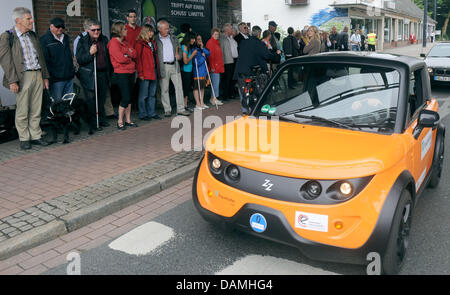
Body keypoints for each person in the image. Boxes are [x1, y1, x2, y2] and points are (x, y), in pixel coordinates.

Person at [0, 7, 50, 150]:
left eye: (31, 18)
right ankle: (24, 138)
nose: (31, 21)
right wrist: (12, 80)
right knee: (22, 109)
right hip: (22, 76)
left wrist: (45, 76)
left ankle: (35, 135)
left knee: (36, 108)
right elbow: (6, 61)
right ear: (18, 20)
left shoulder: (32, 35)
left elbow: (41, 57)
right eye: (28, 19)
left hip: (37, 74)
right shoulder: (7, 36)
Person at [234, 26, 281, 111]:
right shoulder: (259, 44)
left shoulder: (243, 42)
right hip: (252, 71)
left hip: (241, 70)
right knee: (259, 89)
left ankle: (244, 110)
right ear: (259, 34)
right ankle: (256, 109)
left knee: (242, 89)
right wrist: (277, 56)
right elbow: (267, 55)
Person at [76, 19, 111, 131]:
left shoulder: (104, 39)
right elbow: (80, 59)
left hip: (102, 73)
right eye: (93, 30)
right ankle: (93, 122)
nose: (96, 32)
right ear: (88, 30)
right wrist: (90, 53)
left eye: (98, 29)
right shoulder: (83, 41)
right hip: (89, 74)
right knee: (91, 99)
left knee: (101, 98)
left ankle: (101, 119)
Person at [154, 20, 190, 117]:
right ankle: (167, 109)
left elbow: (180, 50)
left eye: (168, 28)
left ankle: (181, 109)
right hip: (163, 67)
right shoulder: (155, 39)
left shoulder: (173, 38)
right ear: (159, 29)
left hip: (175, 65)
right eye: (165, 28)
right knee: (164, 89)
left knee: (179, 87)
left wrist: (180, 56)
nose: (168, 30)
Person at [108, 22, 138, 130]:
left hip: (131, 72)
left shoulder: (125, 42)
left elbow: (135, 54)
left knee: (129, 97)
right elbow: (120, 59)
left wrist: (127, 55)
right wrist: (128, 56)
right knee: (125, 97)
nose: (126, 30)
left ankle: (128, 120)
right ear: (119, 31)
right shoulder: (113, 43)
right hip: (121, 73)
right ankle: (120, 121)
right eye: (124, 29)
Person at [40, 18, 75, 102]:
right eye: (57, 26)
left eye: (62, 27)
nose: (60, 29)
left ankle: (67, 116)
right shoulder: (44, 40)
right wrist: (47, 78)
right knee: (57, 104)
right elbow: (44, 61)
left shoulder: (66, 37)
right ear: (51, 26)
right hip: (56, 80)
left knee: (68, 103)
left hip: (69, 77)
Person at [136, 24, 161, 121]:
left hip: (153, 71)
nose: (151, 33)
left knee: (152, 94)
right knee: (143, 95)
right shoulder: (139, 44)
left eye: (152, 31)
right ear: (145, 32)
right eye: (149, 31)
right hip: (145, 73)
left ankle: (152, 113)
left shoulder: (153, 43)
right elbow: (138, 60)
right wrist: (140, 73)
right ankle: (143, 114)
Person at [220, 23, 239, 101]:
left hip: (233, 60)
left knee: (232, 79)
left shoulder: (231, 38)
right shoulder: (222, 38)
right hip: (227, 61)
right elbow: (221, 51)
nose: (232, 30)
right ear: (227, 30)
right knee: (227, 79)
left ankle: (230, 94)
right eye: (231, 28)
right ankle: (225, 95)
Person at [206, 27, 224, 106]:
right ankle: (213, 98)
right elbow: (210, 56)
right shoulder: (211, 42)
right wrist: (212, 66)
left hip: (217, 66)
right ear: (212, 34)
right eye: (215, 34)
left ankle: (214, 98)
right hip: (214, 67)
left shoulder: (216, 42)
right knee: (215, 83)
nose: (217, 35)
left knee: (216, 83)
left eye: (218, 34)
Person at [192, 34, 210, 110]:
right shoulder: (194, 50)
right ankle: (197, 103)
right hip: (197, 72)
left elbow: (208, 54)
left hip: (203, 72)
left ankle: (202, 102)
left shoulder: (201, 49)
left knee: (202, 87)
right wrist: (203, 57)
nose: (200, 40)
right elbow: (197, 63)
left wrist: (203, 48)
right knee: (196, 87)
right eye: (198, 39)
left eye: (201, 39)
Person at [181, 32, 197, 111]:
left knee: (188, 88)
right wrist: (193, 55)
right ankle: (184, 105)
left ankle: (186, 104)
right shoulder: (184, 47)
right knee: (185, 88)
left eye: (194, 39)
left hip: (190, 70)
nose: (193, 40)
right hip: (185, 70)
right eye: (192, 39)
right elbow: (185, 61)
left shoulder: (190, 47)